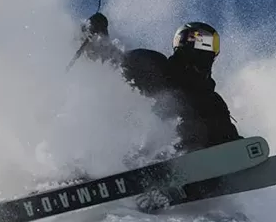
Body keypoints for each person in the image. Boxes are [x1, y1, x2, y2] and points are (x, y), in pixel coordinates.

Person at [78, 14, 241, 154]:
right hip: (133, 149)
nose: (202, 48)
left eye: (210, 43)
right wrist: (96, 35)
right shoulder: (154, 65)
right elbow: (113, 61)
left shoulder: (211, 101)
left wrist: (243, 154)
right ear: (181, 43)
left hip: (192, 159)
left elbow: (227, 137)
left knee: (203, 123)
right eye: (196, 40)